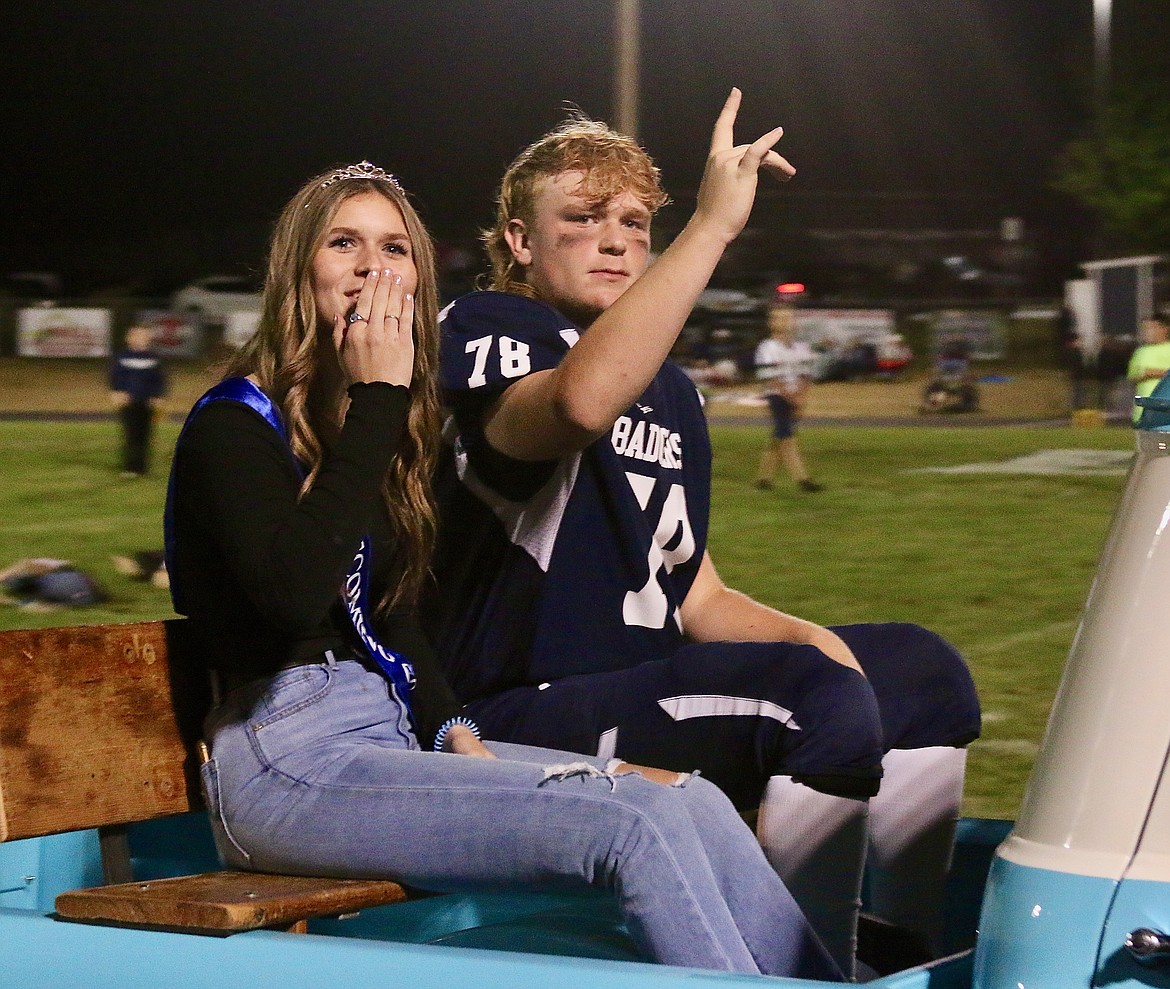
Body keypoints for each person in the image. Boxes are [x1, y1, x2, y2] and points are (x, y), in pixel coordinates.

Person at [164, 160, 839, 981]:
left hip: (385, 735)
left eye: (395, 249)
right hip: (284, 763)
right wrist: (377, 403)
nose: (374, 268)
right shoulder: (234, 424)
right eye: (344, 244)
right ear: (298, 270)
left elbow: (394, 614)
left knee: (689, 801)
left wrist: (455, 731)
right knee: (632, 826)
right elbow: (289, 602)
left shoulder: (366, 426)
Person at [426, 91, 980, 977]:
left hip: (642, 686)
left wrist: (820, 645)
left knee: (922, 671)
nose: (617, 239)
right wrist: (712, 230)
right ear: (520, 241)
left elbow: (699, 595)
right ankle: (805, 967)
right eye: (583, 218)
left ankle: (897, 948)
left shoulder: (672, 390)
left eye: (638, 221)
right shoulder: (492, 326)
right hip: (512, 706)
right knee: (813, 701)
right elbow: (574, 402)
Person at [753, 303, 821, 493]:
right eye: (780, 318)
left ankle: (764, 478)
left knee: (780, 435)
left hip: (794, 396)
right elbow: (771, 378)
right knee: (787, 436)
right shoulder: (767, 347)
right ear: (771, 323)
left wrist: (801, 396)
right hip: (777, 397)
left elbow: (806, 375)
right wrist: (792, 397)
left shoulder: (801, 347)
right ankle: (803, 479)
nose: (786, 321)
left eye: (788, 317)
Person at [109, 323, 167, 476]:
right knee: (130, 434)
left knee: (145, 434)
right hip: (128, 401)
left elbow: (160, 379)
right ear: (128, 338)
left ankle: (142, 468)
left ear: (148, 339)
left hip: (147, 402)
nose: (139, 339)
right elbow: (115, 377)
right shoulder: (122, 357)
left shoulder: (154, 358)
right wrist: (116, 392)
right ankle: (130, 467)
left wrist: (159, 396)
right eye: (135, 336)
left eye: (143, 336)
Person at [1127, 313, 1170, 423]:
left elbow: (1144, 372)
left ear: (1165, 329)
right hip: (1143, 411)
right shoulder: (1140, 352)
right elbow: (1133, 375)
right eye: (1145, 329)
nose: (1147, 332)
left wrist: (1150, 372)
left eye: (1152, 328)